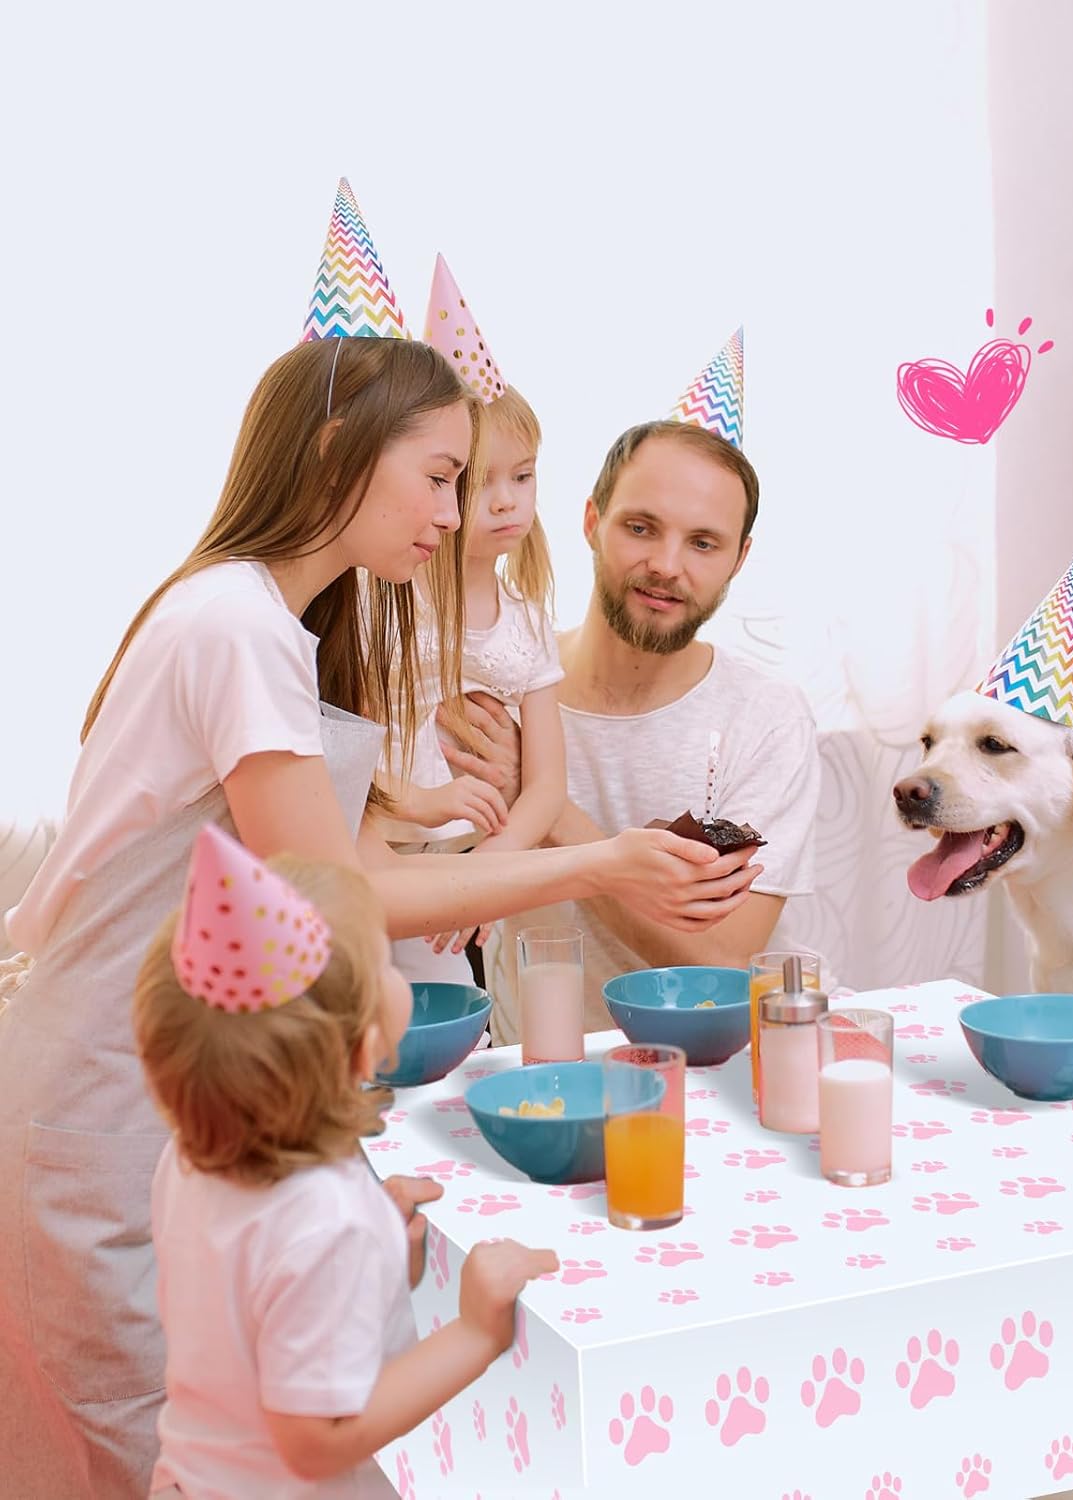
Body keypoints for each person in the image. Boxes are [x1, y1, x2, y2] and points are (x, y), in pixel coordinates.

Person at [0, 184, 753, 1495]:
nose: (459, 516)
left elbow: (318, 861)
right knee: (152, 1441)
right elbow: (332, 899)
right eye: (443, 476)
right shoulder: (233, 626)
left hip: (170, 1080)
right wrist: (601, 860)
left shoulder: (262, 622)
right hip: (103, 1092)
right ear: (344, 449)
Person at [136, 826, 557, 1497]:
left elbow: (255, 1299)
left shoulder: (188, 1162)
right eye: (386, 962)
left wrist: (378, 1253)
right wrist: (476, 1332)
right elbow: (318, 1440)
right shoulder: (328, 1223)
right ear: (363, 1052)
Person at [455, 332, 823, 1036]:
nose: (666, 565)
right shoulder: (495, 688)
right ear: (592, 521)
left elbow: (717, 962)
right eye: (641, 527)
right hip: (533, 1074)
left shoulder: (767, 720)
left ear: (740, 559)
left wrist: (549, 807)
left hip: (713, 1072)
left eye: (703, 542)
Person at [375, 257, 568, 986]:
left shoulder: (526, 620)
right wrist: (418, 806)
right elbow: (344, 764)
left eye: (523, 476)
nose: (508, 501)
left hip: (481, 862)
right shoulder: (387, 597)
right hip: (388, 857)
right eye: (476, 480)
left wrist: (496, 861)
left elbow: (547, 781)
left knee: (480, 1021)